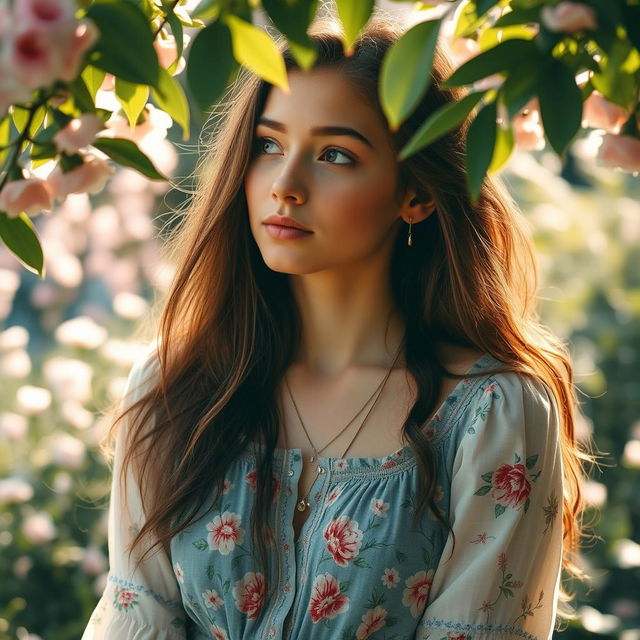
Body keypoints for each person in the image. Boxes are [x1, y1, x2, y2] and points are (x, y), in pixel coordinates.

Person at [81, 11, 596, 640]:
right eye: (268, 145)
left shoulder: (492, 413)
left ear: (417, 194)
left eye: (335, 155)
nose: (286, 186)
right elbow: (137, 620)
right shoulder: (174, 386)